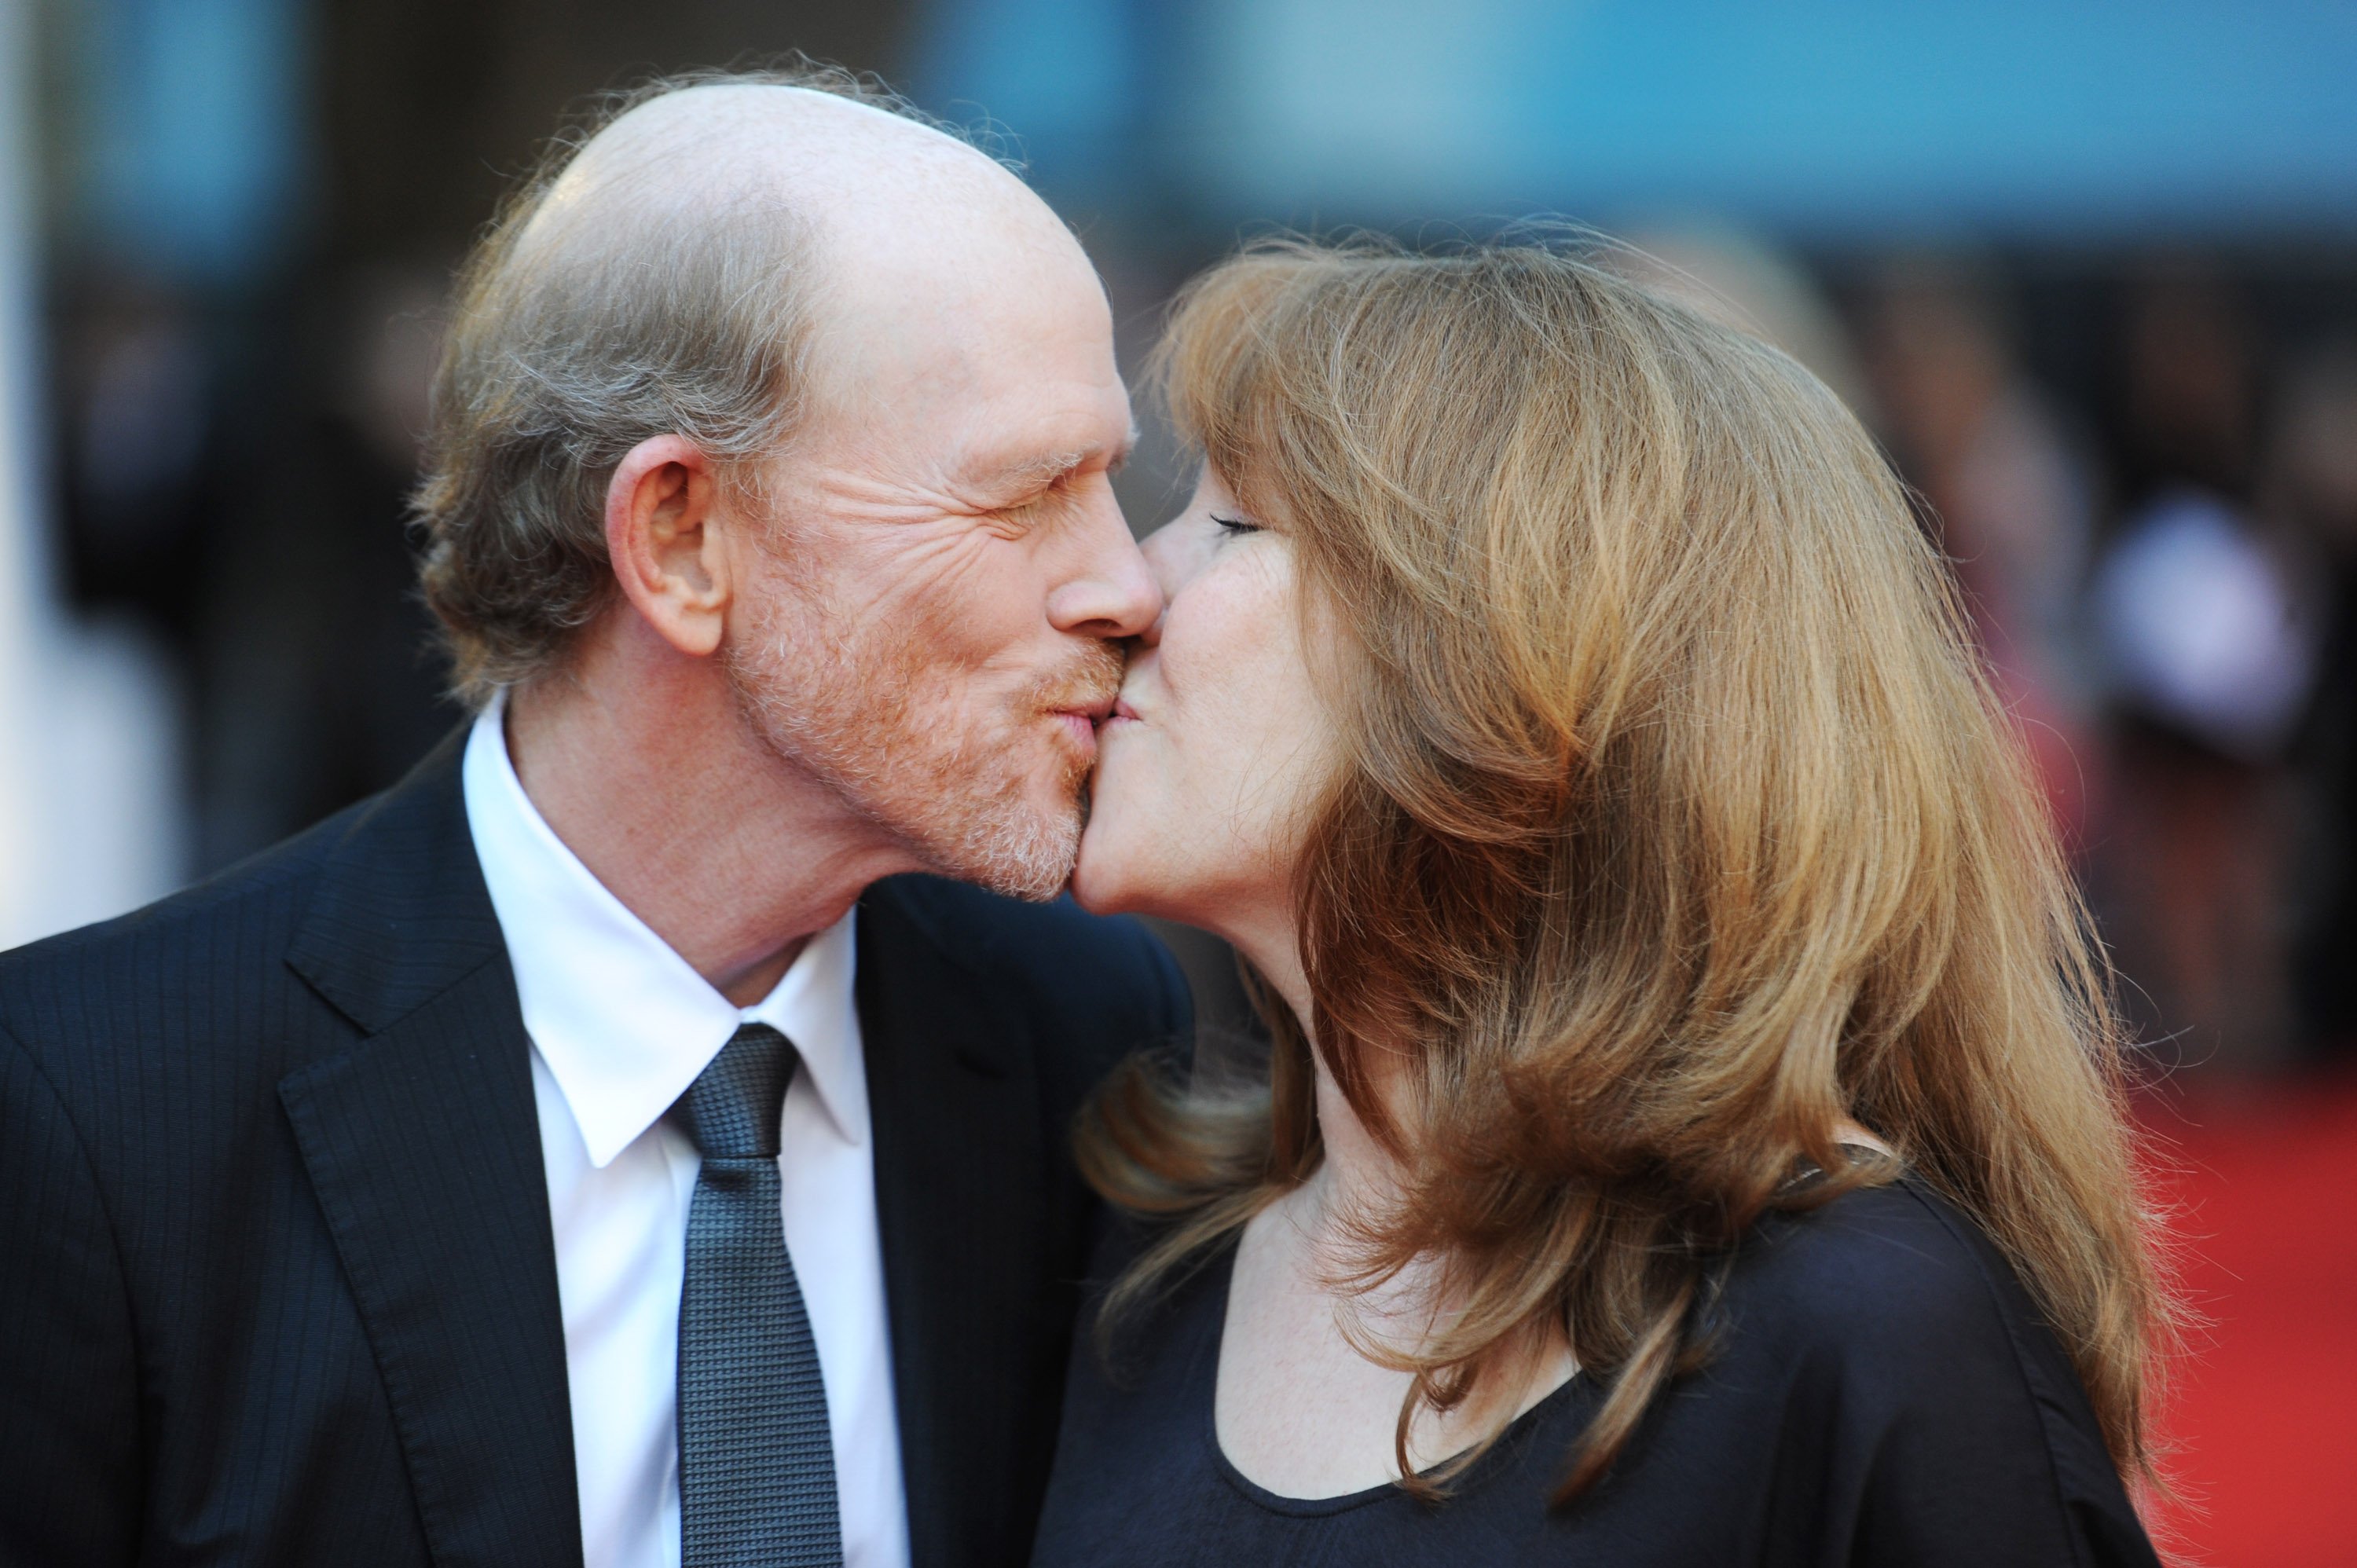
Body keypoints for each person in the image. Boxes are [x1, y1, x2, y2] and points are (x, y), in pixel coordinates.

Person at [0, 66, 1187, 1568]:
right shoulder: (92, 1114)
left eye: (1111, 485)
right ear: (681, 540)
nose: (1128, 584)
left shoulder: (1076, 1029)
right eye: (1023, 498)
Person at [1033, 240, 2170, 1565]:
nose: (1125, 585)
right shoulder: (1129, 1257)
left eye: (1228, 522)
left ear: (1504, 671)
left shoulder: (1869, 1335)